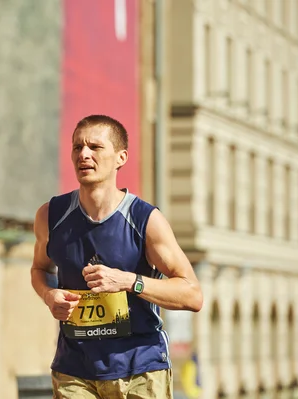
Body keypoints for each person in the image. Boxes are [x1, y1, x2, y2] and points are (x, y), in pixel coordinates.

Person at [30, 114, 203, 398]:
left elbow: (192, 294)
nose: (83, 154)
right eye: (77, 147)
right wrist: (49, 295)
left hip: (140, 368)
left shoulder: (146, 220)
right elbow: (39, 269)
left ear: (121, 158)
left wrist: (129, 281)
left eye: (95, 147)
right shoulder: (51, 216)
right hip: (74, 370)